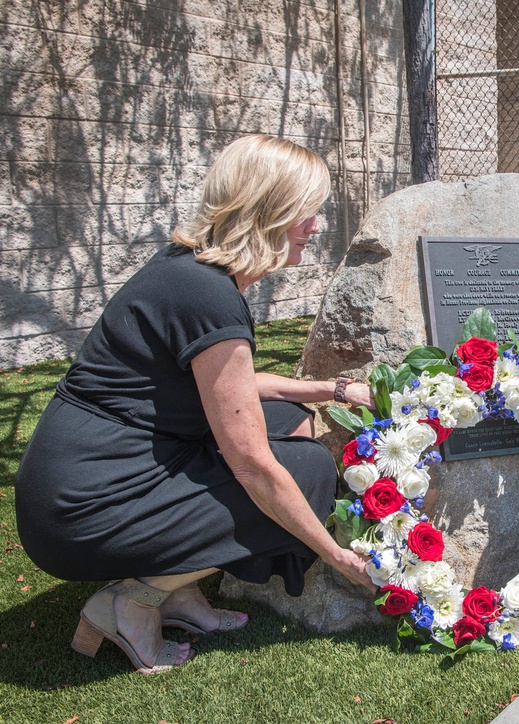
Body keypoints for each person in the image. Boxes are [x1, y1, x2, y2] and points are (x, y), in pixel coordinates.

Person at [15, 134, 375, 674]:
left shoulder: (188, 268)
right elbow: (252, 466)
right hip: (81, 507)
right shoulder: (208, 294)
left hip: (96, 467)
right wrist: (338, 556)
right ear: (267, 212)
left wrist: (336, 390)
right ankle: (132, 602)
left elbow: (235, 384)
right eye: (308, 212)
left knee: (290, 420)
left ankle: (179, 590)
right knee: (306, 471)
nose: (317, 227)